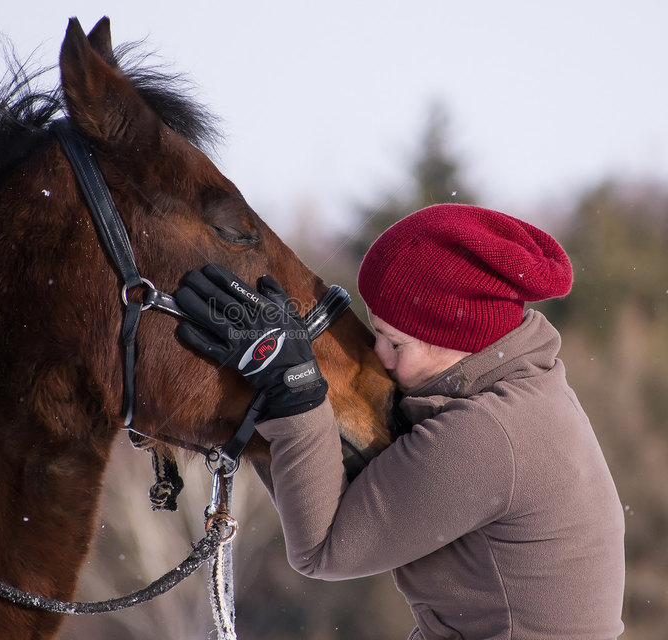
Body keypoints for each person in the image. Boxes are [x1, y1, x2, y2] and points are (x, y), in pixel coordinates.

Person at [175, 204, 625, 640]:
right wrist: (277, 387)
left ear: (457, 339)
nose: (380, 356)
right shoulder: (529, 395)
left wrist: (292, 391)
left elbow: (323, 549)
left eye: (395, 343)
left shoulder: (488, 435)